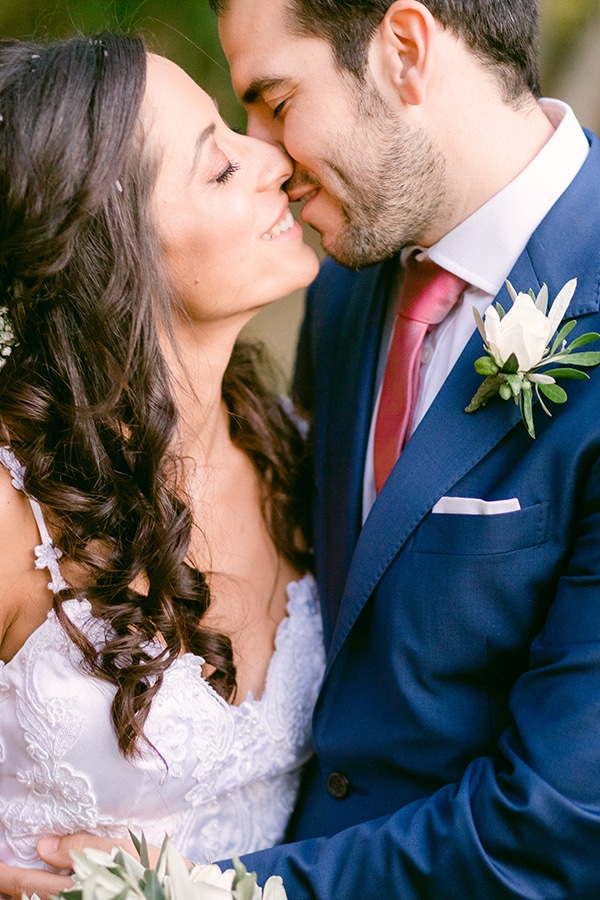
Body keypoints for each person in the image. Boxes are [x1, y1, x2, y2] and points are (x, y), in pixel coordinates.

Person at [4, 0, 600, 897]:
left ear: (404, 50)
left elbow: (556, 817)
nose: (271, 157)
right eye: (223, 147)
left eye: (276, 102)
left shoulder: (271, 432)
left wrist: (184, 893)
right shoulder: (350, 293)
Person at [0, 30, 324, 882]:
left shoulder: (288, 446)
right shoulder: (12, 511)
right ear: (114, 254)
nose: (272, 159)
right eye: (218, 168)